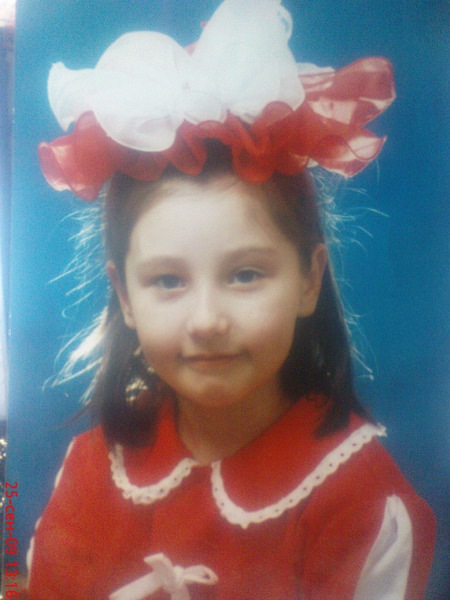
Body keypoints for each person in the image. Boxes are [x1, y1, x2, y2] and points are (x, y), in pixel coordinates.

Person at [26, 1, 435, 598]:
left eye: (245, 275)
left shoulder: (360, 501)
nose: (207, 320)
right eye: (168, 281)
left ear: (308, 280)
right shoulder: (92, 467)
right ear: (125, 297)